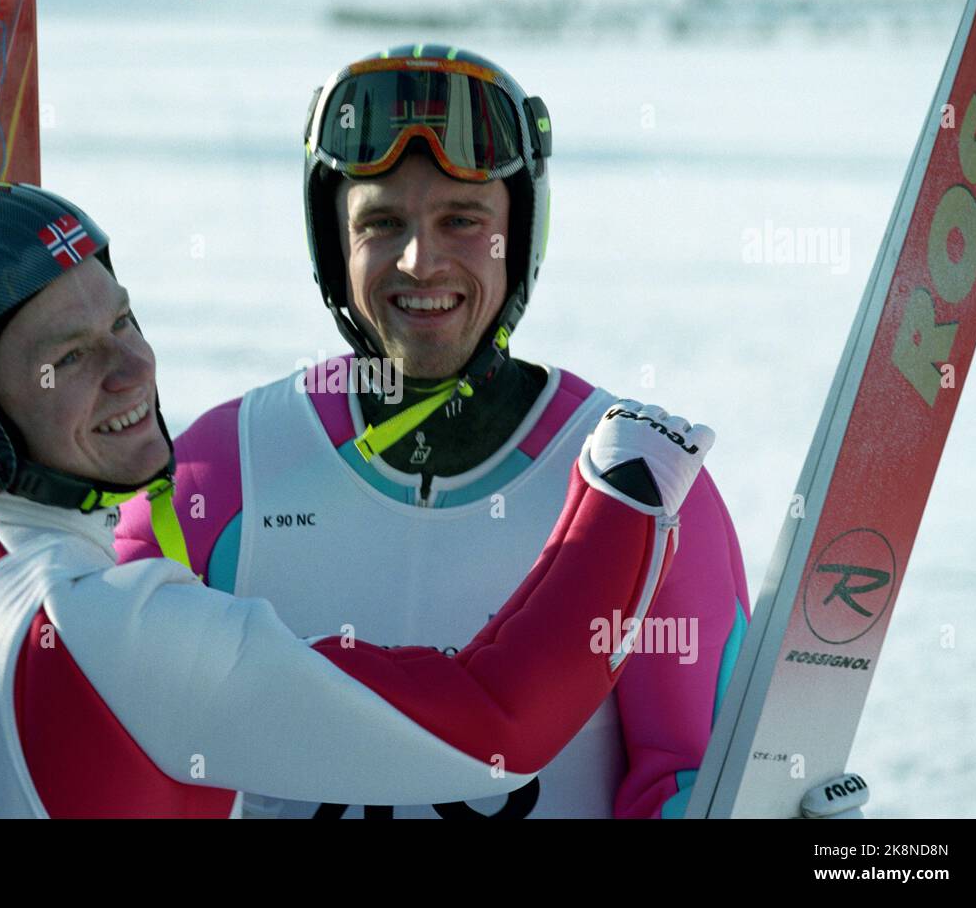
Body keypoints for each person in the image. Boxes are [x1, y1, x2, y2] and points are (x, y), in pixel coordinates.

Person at [0, 182, 712, 817]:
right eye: (68, 357)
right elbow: (493, 723)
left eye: (122, 317)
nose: (132, 366)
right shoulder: (105, 627)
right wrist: (621, 493)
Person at [111, 44, 751, 818]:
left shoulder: (645, 486)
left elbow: (694, 781)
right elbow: (118, 761)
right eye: (381, 222)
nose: (421, 261)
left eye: (462, 219)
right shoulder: (217, 476)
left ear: (517, 237)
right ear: (333, 243)